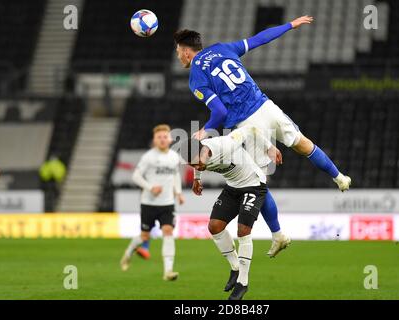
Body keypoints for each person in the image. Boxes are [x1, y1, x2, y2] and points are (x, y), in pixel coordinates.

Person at [173, 16, 352, 257]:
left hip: (248, 122)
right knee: (303, 144)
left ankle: (279, 235)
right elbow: (259, 39)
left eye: (177, 51)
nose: (177, 56)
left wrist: (205, 130)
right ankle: (340, 177)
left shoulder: (196, 75)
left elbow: (220, 112)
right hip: (266, 106)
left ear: (186, 52)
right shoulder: (222, 48)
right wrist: (290, 25)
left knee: (257, 184)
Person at [179, 125, 282, 300]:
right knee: (214, 226)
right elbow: (197, 161)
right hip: (233, 187)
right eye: (192, 165)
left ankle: (242, 283)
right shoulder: (198, 155)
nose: (197, 166)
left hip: (253, 184)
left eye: (197, 163)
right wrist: (197, 178)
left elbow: (250, 130)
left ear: (204, 150)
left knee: (243, 230)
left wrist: (270, 147)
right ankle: (235, 268)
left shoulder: (225, 144)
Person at [120, 124, 185, 281]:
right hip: (149, 203)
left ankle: (168, 271)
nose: (162, 139)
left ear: (170, 139)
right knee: (144, 236)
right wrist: (150, 187)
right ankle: (128, 253)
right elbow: (135, 176)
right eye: (159, 137)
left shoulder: (174, 157)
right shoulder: (148, 157)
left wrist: (179, 193)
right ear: (155, 140)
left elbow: (175, 176)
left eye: (165, 137)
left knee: (168, 231)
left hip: (167, 204)